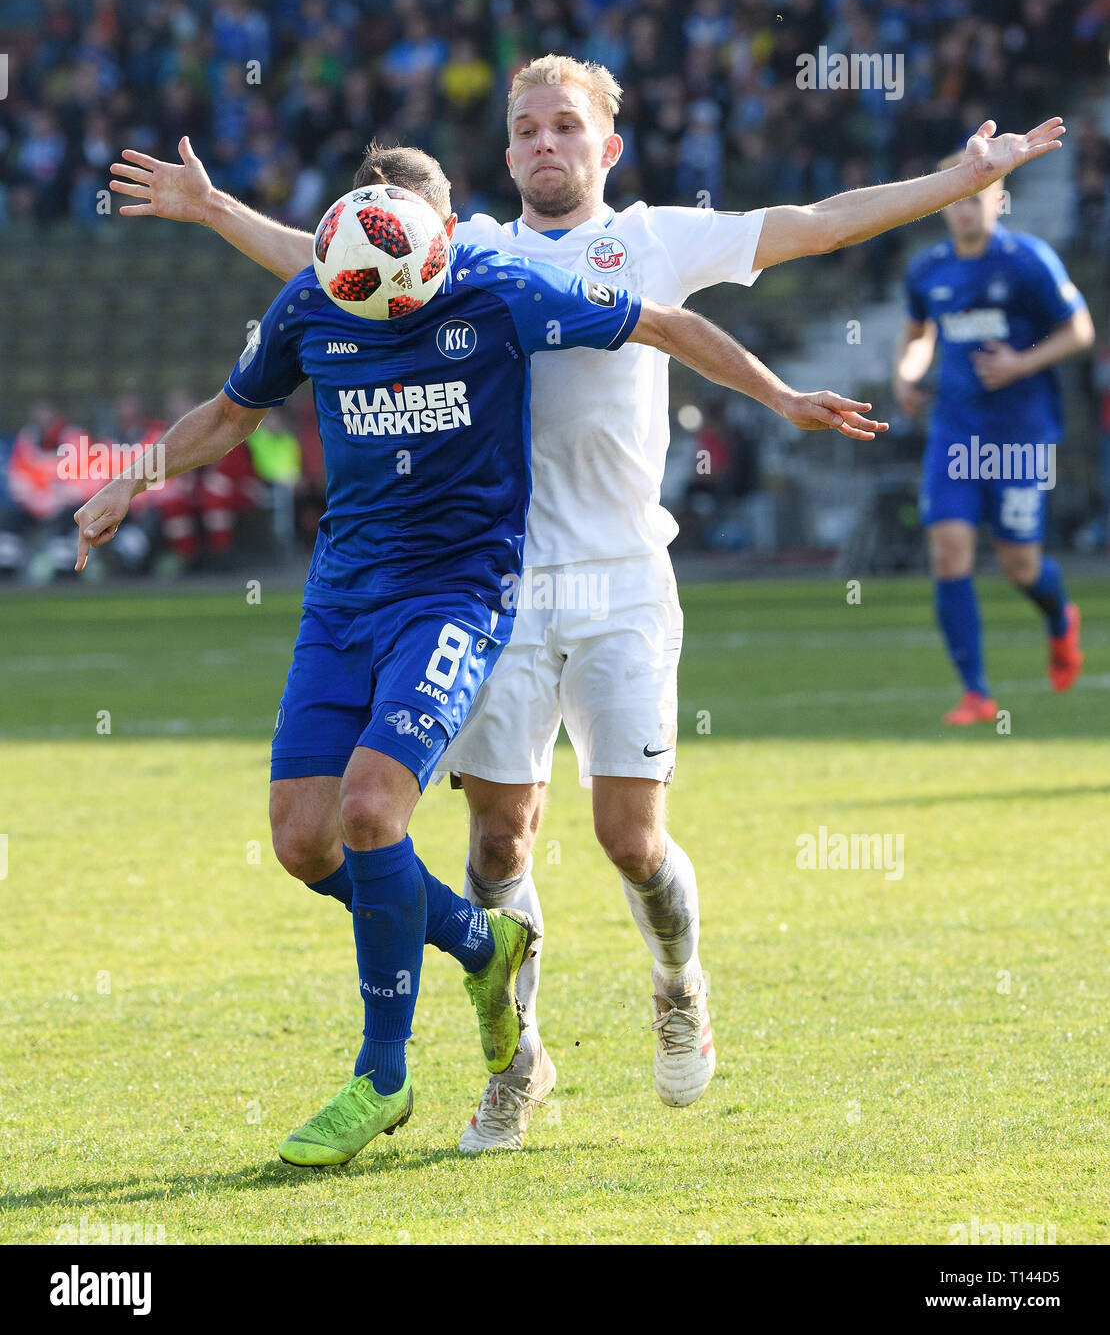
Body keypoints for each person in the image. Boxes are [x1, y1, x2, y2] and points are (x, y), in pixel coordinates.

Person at [107, 57, 1059, 1149]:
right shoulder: (468, 250)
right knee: (500, 841)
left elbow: (823, 223)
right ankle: (513, 1064)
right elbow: (336, 263)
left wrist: (957, 178)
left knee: (627, 838)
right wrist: (215, 207)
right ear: (505, 154)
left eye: (567, 127)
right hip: (495, 586)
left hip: (622, 582)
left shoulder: (655, 240)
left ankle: (677, 975)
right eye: (525, 130)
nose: (544, 144)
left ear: (608, 147)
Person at [893, 152, 1094, 724]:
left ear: (998, 201)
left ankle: (1060, 618)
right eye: (954, 199)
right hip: (955, 433)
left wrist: (1023, 363)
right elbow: (917, 333)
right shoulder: (928, 270)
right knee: (949, 550)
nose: (964, 210)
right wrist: (907, 373)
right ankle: (977, 694)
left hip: (1020, 436)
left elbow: (1080, 330)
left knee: (1020, 568)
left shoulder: (1028, 261)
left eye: (975, 197)